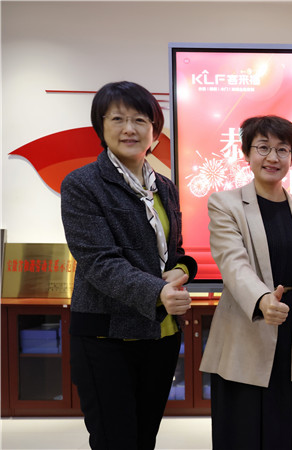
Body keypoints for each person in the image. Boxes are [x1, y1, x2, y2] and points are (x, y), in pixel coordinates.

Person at [61, 81, 197, 450]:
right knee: (115, 440)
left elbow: (173, 252)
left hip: (160, 335)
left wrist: (183, 270)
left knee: (143, 439)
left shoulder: (163, 187)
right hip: (106, 337)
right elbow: (99, 262)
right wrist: (158, 290)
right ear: (101, 127)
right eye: (117, 119)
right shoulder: (83, 184)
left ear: (155, 130)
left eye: (140, 120)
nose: (129, 129)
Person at [199, 115, 292, 449]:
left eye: (282, 149)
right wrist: (263, 299)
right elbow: (232, 263)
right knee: (244, 435)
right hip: (246, 336)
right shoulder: (225, 203)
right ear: (247, 153)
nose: (273, 157)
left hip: (291, 339)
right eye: (263, 148)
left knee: (287, 435)